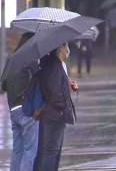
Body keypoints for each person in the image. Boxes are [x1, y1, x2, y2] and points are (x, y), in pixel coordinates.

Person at [1, 32, 39, 171]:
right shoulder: (30, 59)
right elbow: (39, 79)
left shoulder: (11, 60)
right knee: (30, 150)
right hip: (27, 109)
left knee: (17, 150)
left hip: (13, 110)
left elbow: (3, 85)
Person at [38, 42, 78, 171]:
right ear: (61, 48)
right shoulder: (55, 65)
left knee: (52, 150)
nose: (68, 49)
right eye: (66, 46)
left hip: (52, 113)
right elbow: (54, 90)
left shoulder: (52, 64)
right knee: (51, 151)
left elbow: (56, 86)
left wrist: (69, 87)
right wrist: (61, 108)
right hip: (54, 115)